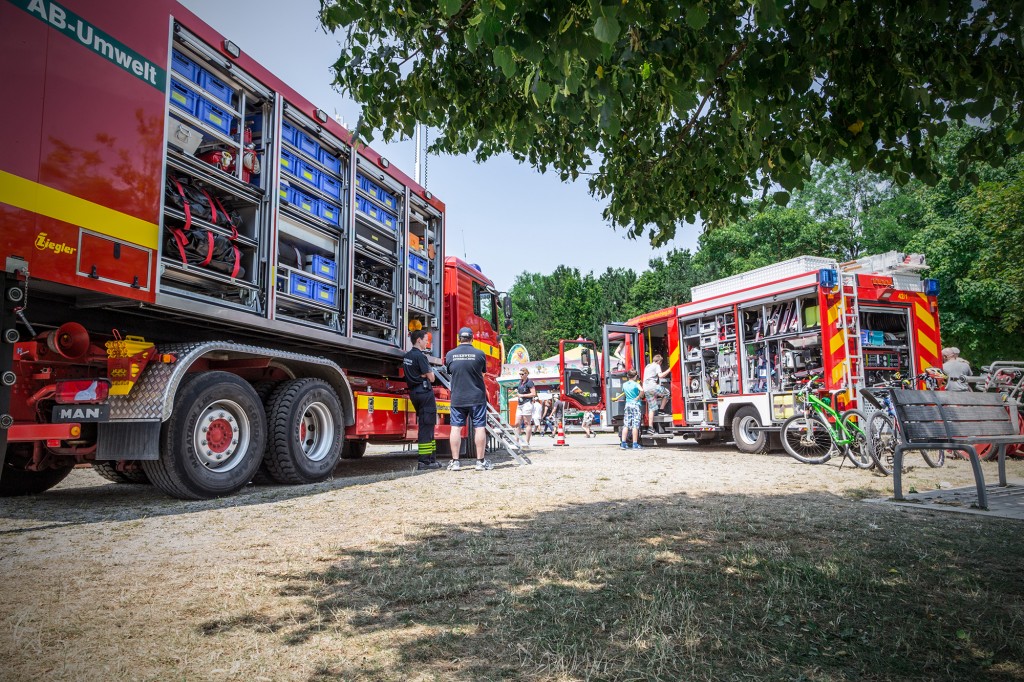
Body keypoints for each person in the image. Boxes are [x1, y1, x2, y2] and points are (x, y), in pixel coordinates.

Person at [445, 327, 492, 471]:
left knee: (456, 428)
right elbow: (483, 373)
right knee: (479, 427)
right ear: (472, 338)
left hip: (458, 398)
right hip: (476, 397)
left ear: (459, 339)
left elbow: (450, 372)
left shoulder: (450, 354)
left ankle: (455, 462)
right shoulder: (479, 354)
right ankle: (480, 462)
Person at [404, 329, 439, 470]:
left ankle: (431, 459)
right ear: (418, 340)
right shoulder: (420, 357)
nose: (427, 342)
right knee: (427, 427)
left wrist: (423, 375)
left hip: (414, 393)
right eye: (426, 340)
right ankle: (425, 461)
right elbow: (432, 377)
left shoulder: (407, 356)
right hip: (425, 393)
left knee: (426, 425)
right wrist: (426, 375)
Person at [615, 369, 643, 449]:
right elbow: (642, 391)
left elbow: (624, 392)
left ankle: (623, 443)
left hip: (627, 405)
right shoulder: (636, 384)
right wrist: (638, 397)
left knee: (626, 425)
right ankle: (635, 444)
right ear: (636, 376)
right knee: (635, 425)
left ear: (628, 376)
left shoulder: (624, 384)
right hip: (635, 404)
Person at [643, 353, 671, 431]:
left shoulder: (647, 366)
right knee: (667, 393)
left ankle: (650, 427)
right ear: (659, 361)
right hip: (652, 386)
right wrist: (669, 369)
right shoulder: (657, 365)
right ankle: (661, 410)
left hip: (646, 388)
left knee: (652, 408)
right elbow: (661, 375)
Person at [515, 368, 538, 449]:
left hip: (527, 403)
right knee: (517, 423)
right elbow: (520, 392)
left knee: (526, 422)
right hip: (520, 404)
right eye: (520, 374)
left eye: (522, 374)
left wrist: (523, 395)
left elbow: (533, 393)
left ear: (526, 374)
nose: (521, 375)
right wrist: (517, 394)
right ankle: (516, 442)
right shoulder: (520, 382)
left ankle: (526, 442)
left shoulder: (529, 382)